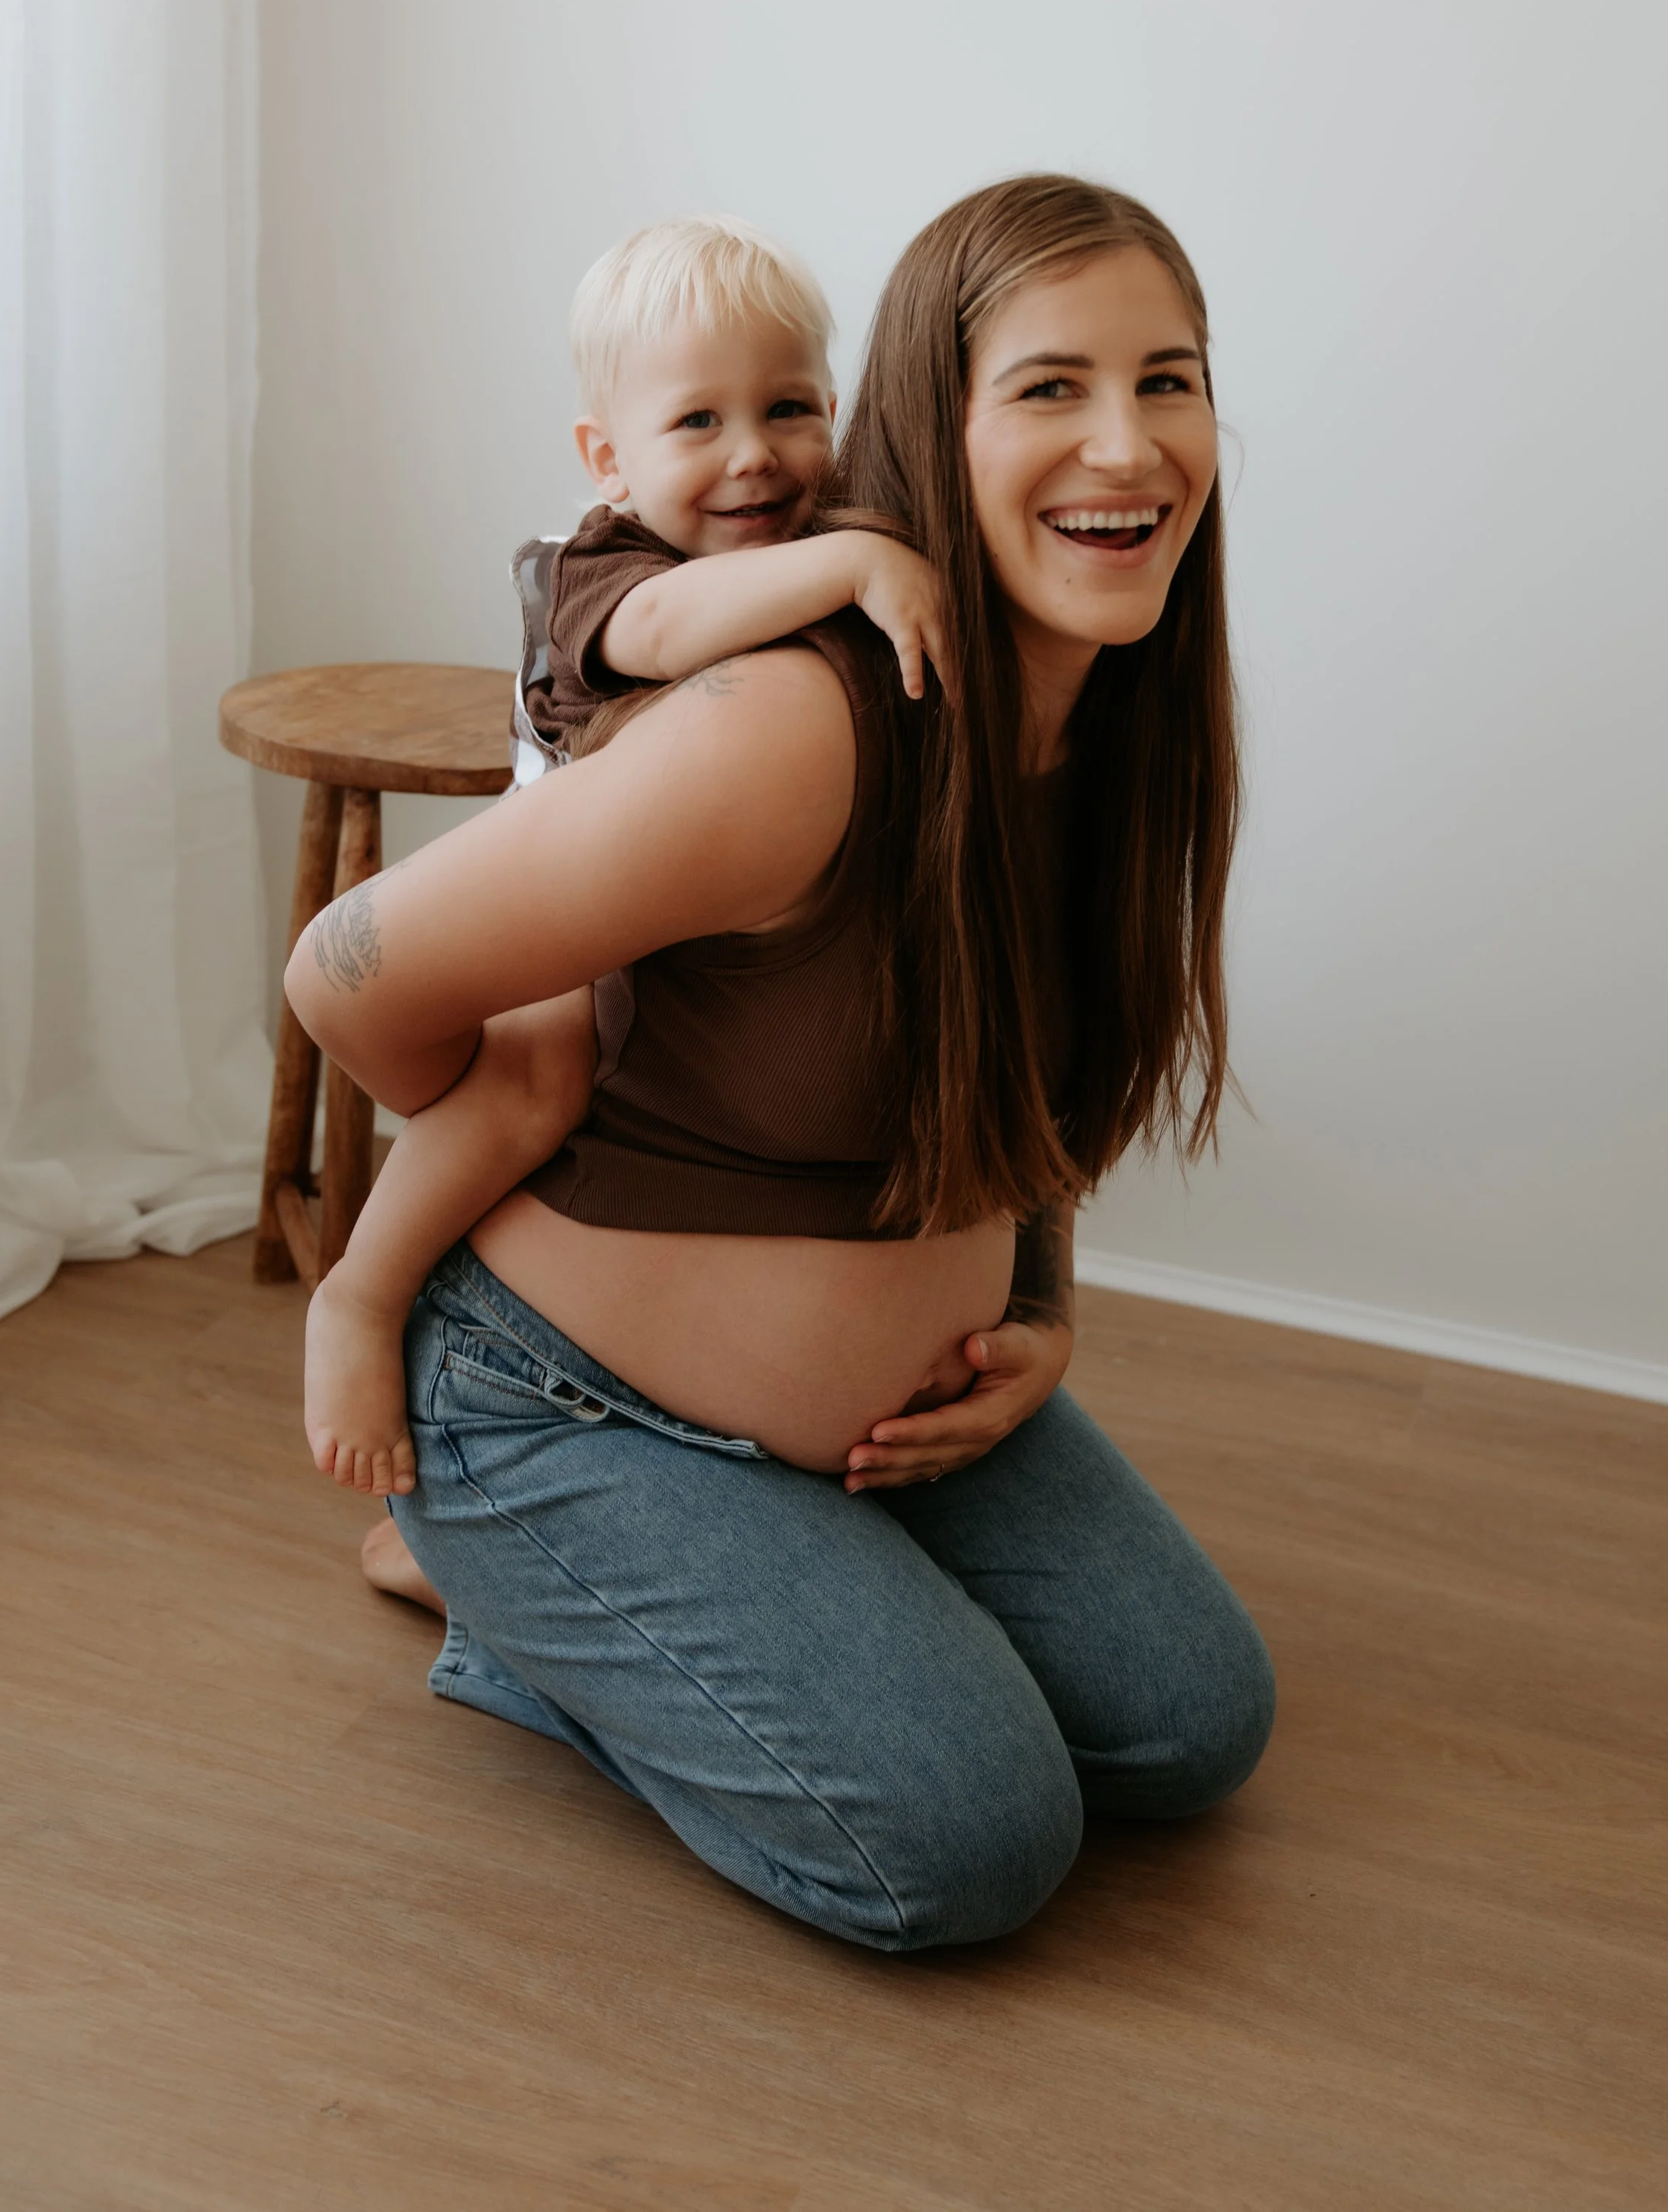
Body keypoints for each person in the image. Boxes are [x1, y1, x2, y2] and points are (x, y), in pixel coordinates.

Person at [286, 174, 1275, 1953]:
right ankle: (503, 1564)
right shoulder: (788, 725)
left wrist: (1037, 1309)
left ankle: (725, 1587)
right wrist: (504, 1101)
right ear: (927, 423)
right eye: (1048, 387)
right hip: (561, 1396)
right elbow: (341, 972)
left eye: (1169, 379)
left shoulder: (1117, 734)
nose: (1124, 446)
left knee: (1190, 1730)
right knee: (968, 1848)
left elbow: (1026, 1092)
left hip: (876, 1434)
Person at [303, 214, 946, 1499]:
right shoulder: (603, 566)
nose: (754, 456)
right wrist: (862, 558)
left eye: (789, 408)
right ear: (609, 459)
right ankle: (361, 1301)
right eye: (696, 424)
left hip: (682, 885)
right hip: (562, 876)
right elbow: (667, 630)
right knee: (526, 1091)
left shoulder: (797, 550)